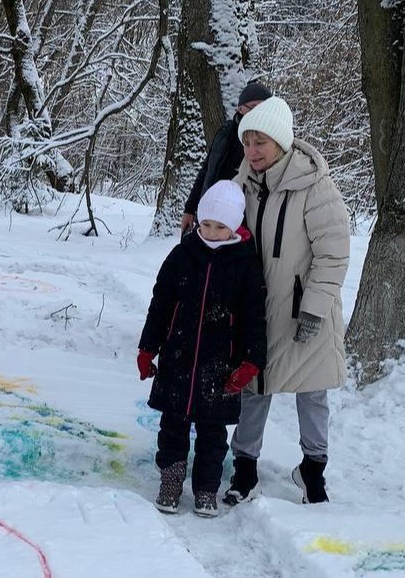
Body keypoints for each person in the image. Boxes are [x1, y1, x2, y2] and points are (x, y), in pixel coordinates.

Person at [224, 96, 350, 506]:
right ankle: (245, 468)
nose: (253, 151)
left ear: (281, 142)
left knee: (312, 390)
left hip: (303, 309)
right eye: (247, 142)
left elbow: (334, 252)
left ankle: (313, 471)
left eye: (261, 142)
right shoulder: (241, 185)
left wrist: (314, 307)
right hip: (257, 309)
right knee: (254, 386)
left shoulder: (314, 185)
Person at [138, 180, 267, 517]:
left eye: (220, 226)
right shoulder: (183, 254)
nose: (210, 231)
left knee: (213, 432)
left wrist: (251, 361)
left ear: (235, 226)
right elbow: (161, 304)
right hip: (178, 358)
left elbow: (255, 316)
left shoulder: (245, 264)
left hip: (220, 364)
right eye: (206, 224)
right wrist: (147, 348)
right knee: (172, 424)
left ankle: (206, 487)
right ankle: (170, 478)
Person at [180, 80, 273, 235]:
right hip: (209, 218)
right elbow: (206, 171)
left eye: (265, 109)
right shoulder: (224, 132)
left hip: (241, 225)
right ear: (240, 108)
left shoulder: (269, 143)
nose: (259, 114)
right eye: (255, 108)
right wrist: (190, 208)